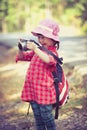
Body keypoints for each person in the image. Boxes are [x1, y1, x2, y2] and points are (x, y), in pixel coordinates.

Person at [16, 18, 60, 130]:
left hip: (44, 92)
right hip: (33, 91)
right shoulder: (38, 50)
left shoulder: (52, 53)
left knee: (46, 116)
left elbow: (48, 60)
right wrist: (21, 49)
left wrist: (36, 49)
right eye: (39, 37)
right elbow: (22, 57)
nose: (41, 40)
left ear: (53, 40)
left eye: (43, 37)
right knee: (38, 116)